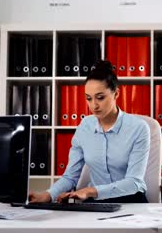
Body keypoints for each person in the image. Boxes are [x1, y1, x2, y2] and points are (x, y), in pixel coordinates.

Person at [29, 60, 151, 203]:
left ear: (116, 94)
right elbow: (70, 176)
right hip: (96, 203)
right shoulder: (85, 126)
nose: (94, 105)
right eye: (88, 98)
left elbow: (134, 182)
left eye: (100, 97)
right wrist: (49, 195)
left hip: (131, 201)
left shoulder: (139, 128)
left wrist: (91, 191)